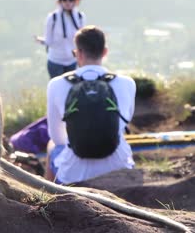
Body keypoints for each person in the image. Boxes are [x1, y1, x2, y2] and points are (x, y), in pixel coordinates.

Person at [45, 25, 136, 184]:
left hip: (73, 175)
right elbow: (125, 121)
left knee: (52, 145)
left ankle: (50, 198)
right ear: (105, 52)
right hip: (119, 169)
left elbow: (57, 138)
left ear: (78, 53)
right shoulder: (127, 83)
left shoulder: (56, 84)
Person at [35, 0, 86, 79]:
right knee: (58, 90)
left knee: (71, 91)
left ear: (75, 1)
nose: (68, 2)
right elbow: (49, 40)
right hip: (56, 60)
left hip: (72, 61)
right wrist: (41, 40)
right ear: (60, 1)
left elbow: (82, 40)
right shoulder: (52, 18)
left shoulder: (80, 17)